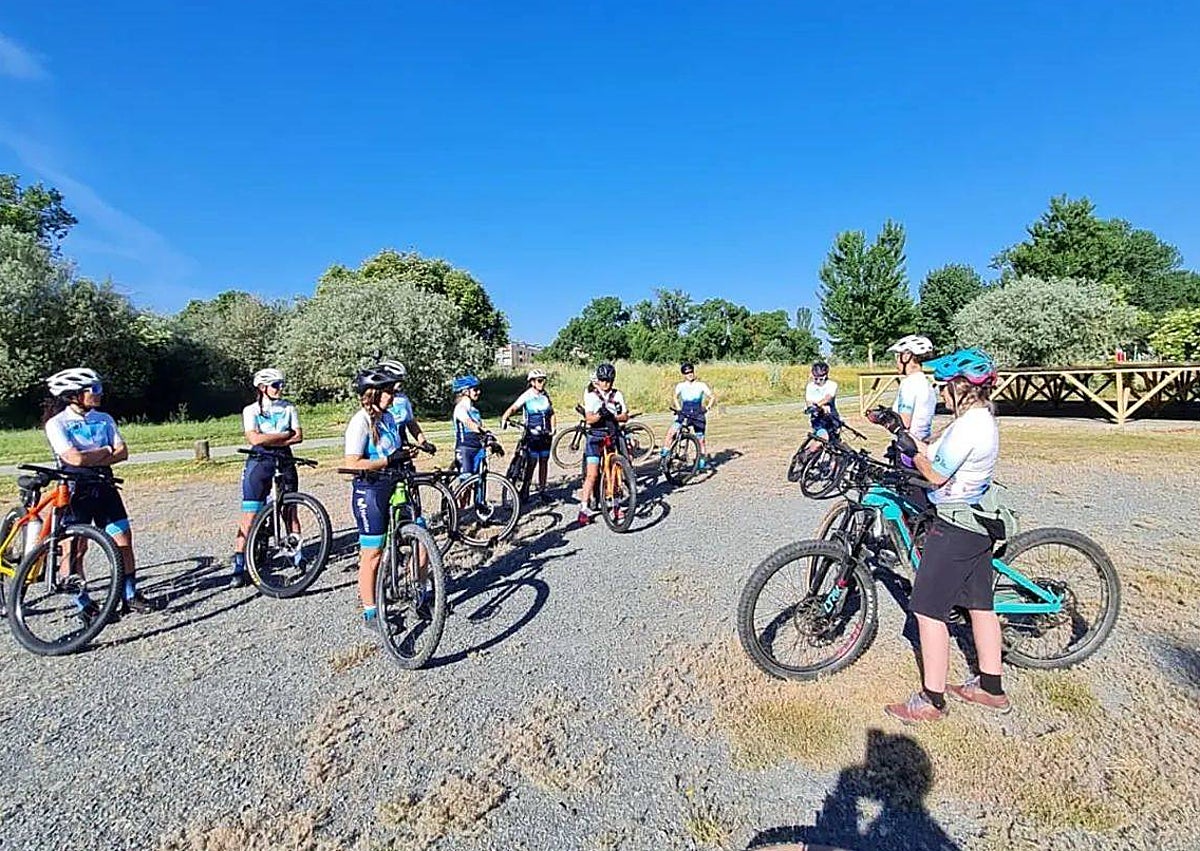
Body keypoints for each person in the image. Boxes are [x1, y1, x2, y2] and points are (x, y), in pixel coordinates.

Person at [884, 348, 1010, 724]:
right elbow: (935, 454)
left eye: (944, 386)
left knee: (926, 609)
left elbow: (936, 475)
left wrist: (914, 455)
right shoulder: (979, 419)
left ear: (960, 387)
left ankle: (931, 700)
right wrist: (904, 437)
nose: (940, 392)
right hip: (976, 525)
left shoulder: (970, 426)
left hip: (955, 526)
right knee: (980, 607)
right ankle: (991, 687)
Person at [43, 367, 156, 616]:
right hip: (76, 491)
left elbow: (122, 452)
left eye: (99, 388)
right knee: (76, 549)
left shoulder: (104, 418)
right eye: (93, 389)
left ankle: (130, 595)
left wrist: (91, 456)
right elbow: (73, 458)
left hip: (105, 487)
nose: (99, 393)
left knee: (123, 541)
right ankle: (83, 604)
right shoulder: (57, 423)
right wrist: (105, 452)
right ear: (73, 395)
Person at [342, 364, 408, 630]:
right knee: (373, 553)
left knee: (420, 538)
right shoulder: (360, 422)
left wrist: (404, 455)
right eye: (388, 391)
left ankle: (423, 592)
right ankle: (371, 613)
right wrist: (385, 461)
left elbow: (393, 450)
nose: (393, 396)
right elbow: (351, 465)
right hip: (370, 490)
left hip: (396, 484)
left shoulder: (389, 418)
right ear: (373, 393)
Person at [228, 368, 303, 588]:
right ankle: (239, 565)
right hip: (259, 461)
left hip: (284, 459)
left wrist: (268, 439)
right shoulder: (250, 410)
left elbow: (298, 436)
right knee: (250, 515)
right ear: (263, 388)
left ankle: (298, 556)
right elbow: (254, 438)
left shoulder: (289, 407)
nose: (281, 389)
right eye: (276, 385)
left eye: (281, 384)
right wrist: (283, 435)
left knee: (289, 511)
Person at [576, 363, 628, 526]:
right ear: (598, 380)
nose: (606, 384)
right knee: (592, 474)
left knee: (615, 471)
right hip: (595, 437)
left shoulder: (617, 395)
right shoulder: (592, 395)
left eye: (609, 381)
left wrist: (612, 416)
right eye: (603, 380)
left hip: (611, 435)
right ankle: (583, 509)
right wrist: (600, 415)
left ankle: (616, 504)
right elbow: (589, 419)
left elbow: (625, 416)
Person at [500, 368, 556, 504]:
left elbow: (552, 413)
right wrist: (505, 417)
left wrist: (553, 428)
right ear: (532, 382)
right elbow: (514, 407)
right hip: (531, 435)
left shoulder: (545, 395)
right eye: (539, 380)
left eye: (544, 380)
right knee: (531, 463)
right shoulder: (527, 395)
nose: (542, 383)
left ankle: (542, 491)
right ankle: (525, 488)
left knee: (544, 462)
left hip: (545, 435)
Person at [888, 335, 937, 466]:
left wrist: (883, 418)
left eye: (897, 356)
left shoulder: (909, 384)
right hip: (923, 444)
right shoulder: (926, 383)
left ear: (906, 357)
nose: (896, 362)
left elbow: (904, 422)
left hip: (908, 448)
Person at [663, 362, 715, 469]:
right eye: (687, 373)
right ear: (684, 375)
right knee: (671, 432)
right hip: (684, 413)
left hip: (698, 414)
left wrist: (707, 407)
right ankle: (665, 453)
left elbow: (712, 397)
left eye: (691, 372)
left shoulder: (701, 385)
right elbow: (675, 397)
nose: (690, 374)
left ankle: (701, 459)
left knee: (700, 439)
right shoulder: (681, 386)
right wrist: (678, 408)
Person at [377, 358, 434, 452]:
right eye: (397, 378)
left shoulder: (403, 399)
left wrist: (423, 442)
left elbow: (411, 423)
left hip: (401, 446)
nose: (399, 383)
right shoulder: (377, 403)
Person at [452, 375, 487, 480]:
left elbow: (480, 427)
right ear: (465, 391)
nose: (478, 392)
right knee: (465, 485)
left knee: (479, 481)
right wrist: (484, 433)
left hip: (478, 449)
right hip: (465, 450)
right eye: (475, 389)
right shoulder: (460, 408)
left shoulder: (475, 410)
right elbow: (469, 423)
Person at [805, 361, 839, 439]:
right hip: (818, 420)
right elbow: (809, 402)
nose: (817, 381)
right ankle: (808, 451)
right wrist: (816, 408)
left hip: (832, 418)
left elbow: (828, 397)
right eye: (815, 378)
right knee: (823, 439)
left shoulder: (832, 385)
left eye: (820, 378)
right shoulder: (810, 386)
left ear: (826, 375)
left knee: (835, 442)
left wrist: (818, 405)